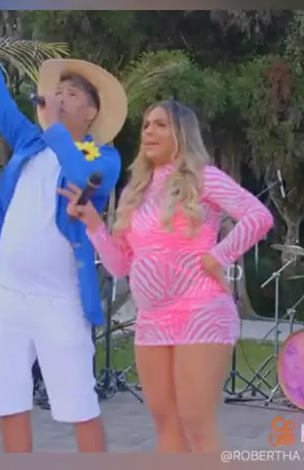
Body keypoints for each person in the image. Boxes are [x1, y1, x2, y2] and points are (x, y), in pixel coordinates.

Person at [59, 100, 274, 453]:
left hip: (200, 311)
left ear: (182, 134)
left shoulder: (203, 177)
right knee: (166, 424)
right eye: (146, 125)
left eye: (160, 124)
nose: (149, 131)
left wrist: (218, 256)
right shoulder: (135, 191)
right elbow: (119, 266)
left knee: (196, 423)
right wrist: (94, 224)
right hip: (152, 320)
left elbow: (258, 216)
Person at [0, 10, 127, 453]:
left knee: (78, 403)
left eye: (71, 94)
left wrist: (56, 127)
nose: (58, 97)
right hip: (8, 293)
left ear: (92, 111)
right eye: (57, 92)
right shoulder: (28, 141)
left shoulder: (104, 157)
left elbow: (81, 177)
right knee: (10, 400)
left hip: (60, 299)